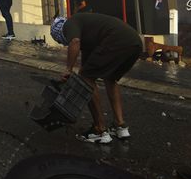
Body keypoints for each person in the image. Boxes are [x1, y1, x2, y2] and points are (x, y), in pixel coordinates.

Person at [50, 12, 143, 144]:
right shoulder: (89, 33)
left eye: (61, 40)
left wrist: (68, 70)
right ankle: (120, 126)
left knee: (85, 79)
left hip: (116, 39)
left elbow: (74, 41)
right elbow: (87, 66)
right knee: (110, 78)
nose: (64, 44)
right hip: (134, 42)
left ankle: (99, 129)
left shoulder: (68, 24)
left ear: (60, 33)